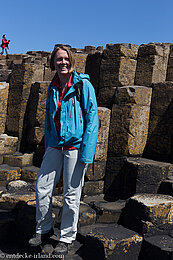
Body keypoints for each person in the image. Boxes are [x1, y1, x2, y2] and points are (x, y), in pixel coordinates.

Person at [28, 45, 99, 255]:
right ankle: (43, 229)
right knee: (42, 187)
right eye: (59, 59)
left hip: (75, 146)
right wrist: (49, 142)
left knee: (71, 193)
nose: (63, 63)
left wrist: (87, 153)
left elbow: (92, 120)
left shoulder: (83, 85)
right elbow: (49, 116)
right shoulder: (52, 86)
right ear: (53, 63)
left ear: (72, 61)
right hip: (54, 145)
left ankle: (66, 237)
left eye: (66, 59)